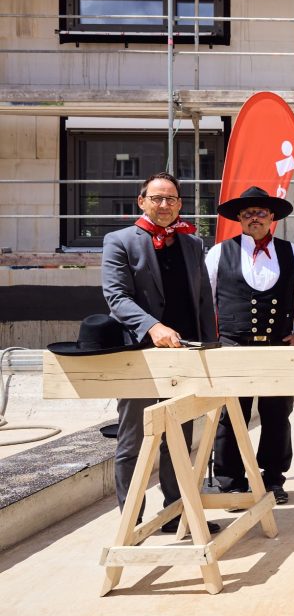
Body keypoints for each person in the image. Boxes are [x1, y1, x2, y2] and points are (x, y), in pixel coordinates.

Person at [99, 172, 221, 535]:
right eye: (157, 198)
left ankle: (176, 512)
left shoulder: (192, 243)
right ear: (142, 201)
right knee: (134, 439)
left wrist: (210, 346)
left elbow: (203, 300)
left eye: (171, 199)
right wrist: (153, 326)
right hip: (139, 353)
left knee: (180, 438)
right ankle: (130, 522)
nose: (164, 205)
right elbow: (116, 297)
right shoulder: (119, 241)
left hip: (184, 354)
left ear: (180, 204)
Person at [206, 186, 294, 506]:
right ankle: (230, 480)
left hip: (277, 348)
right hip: (232, 348)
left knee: (277, 414)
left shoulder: (291, 252)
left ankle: (273, 479)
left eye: (261, 213)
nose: (254, 218)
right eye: (248, 213)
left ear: (272, 218)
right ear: (239, 219)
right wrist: (211, 340)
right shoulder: (219, 253)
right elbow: (205, 300)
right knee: (231, 415)